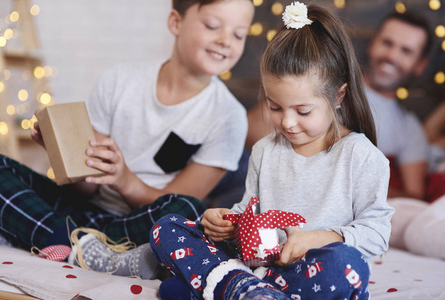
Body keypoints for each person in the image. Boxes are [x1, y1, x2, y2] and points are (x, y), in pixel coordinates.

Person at [149, 2, 394, 299]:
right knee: (167, 227)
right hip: (257, 267)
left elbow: (377, 233)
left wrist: (321, 238)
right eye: (275, 107)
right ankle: (245, 287)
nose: (287, 122)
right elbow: (250, 211)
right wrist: (227, 221)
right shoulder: (266, 150)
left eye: (303, 111)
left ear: (338, 96)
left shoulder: (361, 156)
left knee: (346, 265)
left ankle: (224, 286)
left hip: (311, 274)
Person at [0, 0, 255, 276]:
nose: (226, 40)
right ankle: (79, 245)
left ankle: (47, 234)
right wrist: (60, 153)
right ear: (175, 22)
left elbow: (179, 207)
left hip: (139, 223)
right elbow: (88, 187)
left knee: (190, 209)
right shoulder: (120, 81)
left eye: (239, 34)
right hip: (82, 210)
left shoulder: (229, 117)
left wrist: (124, 180)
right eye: (213, 26)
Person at [364, 10, 434, 201]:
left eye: (406, 51)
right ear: (373, 43)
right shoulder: (328, 92)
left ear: (420, 65)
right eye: (387, 43)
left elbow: (413, 201)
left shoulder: (410, 129)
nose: (392, 56)